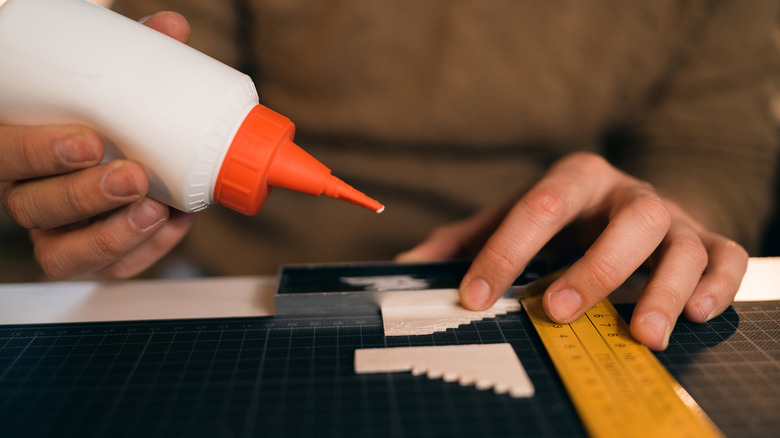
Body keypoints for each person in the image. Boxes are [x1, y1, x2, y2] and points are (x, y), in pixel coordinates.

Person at [1, 1, 778, 351]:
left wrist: (659, 219)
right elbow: (162, 52)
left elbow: (714, 148)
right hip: (219, 278)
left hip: (539, 283)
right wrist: (90, 176)